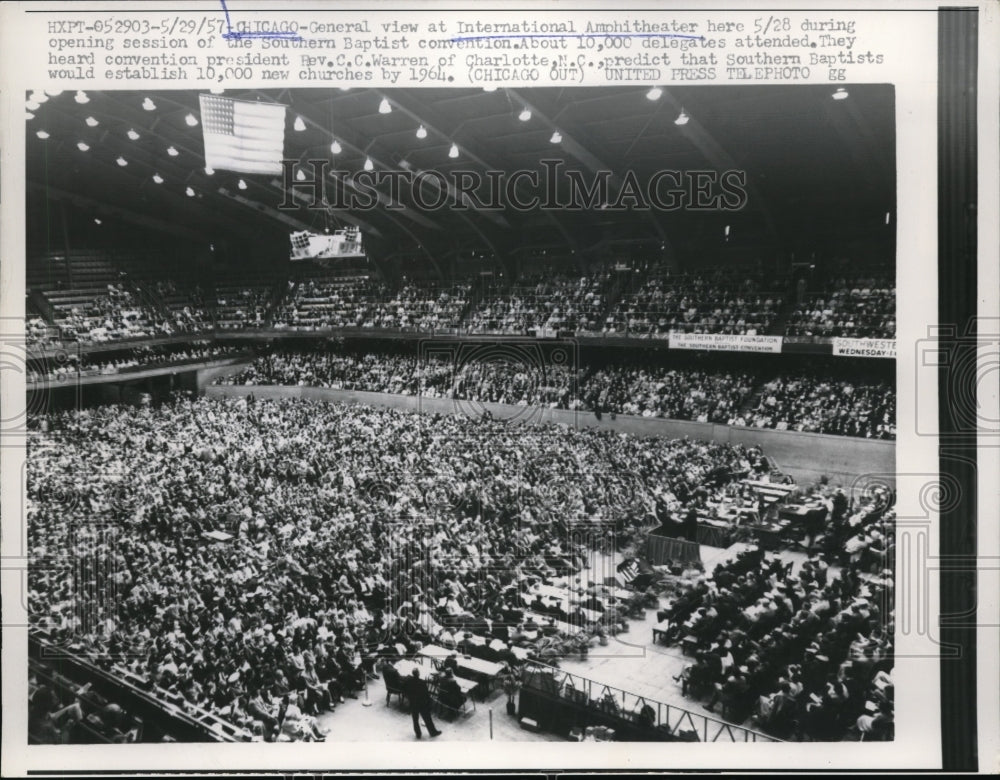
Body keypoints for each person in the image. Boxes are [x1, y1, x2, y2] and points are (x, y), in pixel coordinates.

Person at [402, 668, 440, 738]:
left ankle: (418, 734)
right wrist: (429, 703)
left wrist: (409, 697)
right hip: (422, 704)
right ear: (418, 674)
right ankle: (433, 732)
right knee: (427, 719)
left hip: (413, 703)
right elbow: (426, 695)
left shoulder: (408, 681)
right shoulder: (422, 683)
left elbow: (404, 689)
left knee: (415, 720)